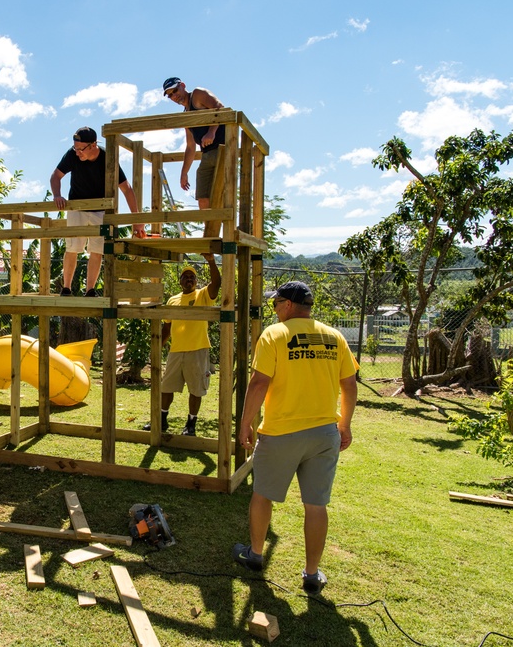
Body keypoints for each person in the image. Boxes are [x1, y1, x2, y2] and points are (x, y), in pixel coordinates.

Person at [231, 281, 357, 596]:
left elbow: (259, 383)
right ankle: (312, 574)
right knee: (316, 505)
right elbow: (349, 384)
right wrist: (346, 424)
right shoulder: (334, 337)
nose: (274, 310)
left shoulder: (275, 335)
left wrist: (245, 423)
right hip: (324, 434)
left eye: (276, 305)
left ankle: (255, 555)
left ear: (288, 305)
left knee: (262, 495)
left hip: (280, 433)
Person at [51, 126, 146, 296]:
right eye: (75, 148)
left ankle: (90, 290)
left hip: (101, 210)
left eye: (81, 149)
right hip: (77, 207)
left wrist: (137, 220)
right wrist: (57, 195)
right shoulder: (72, 155)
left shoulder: (107, 158)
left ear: (93, 145)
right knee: (72, 247)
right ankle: (66, 288)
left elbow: (126, 189)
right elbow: (55, 176)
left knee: (97, 249)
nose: (77, 152)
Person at [143, 254, 221, 437]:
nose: (189, 279)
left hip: (198, 350)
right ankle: (161, 421)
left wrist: (211, 261)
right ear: (180, 281)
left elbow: (217, 284)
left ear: (196, 281)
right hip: (176, 351)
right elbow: (167, 326)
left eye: (192, 277)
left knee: (196, 389)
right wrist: (157, 347)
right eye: (186, 276)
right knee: (166, 387)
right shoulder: (173, 300)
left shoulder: (202, 295)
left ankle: (191, 424)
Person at [162, 77, 225, 235]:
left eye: (175, 91)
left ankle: (226, 231)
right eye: (170, 95)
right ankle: (209, 233)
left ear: (183, 86)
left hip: (224, 150)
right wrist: (184, 172)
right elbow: (190, 146)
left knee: (220, 195)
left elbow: (219, 108)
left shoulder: (198, 95)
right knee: (202, 197)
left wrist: (211, 132)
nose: (174, 96)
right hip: (207, 154)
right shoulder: (186, 115)